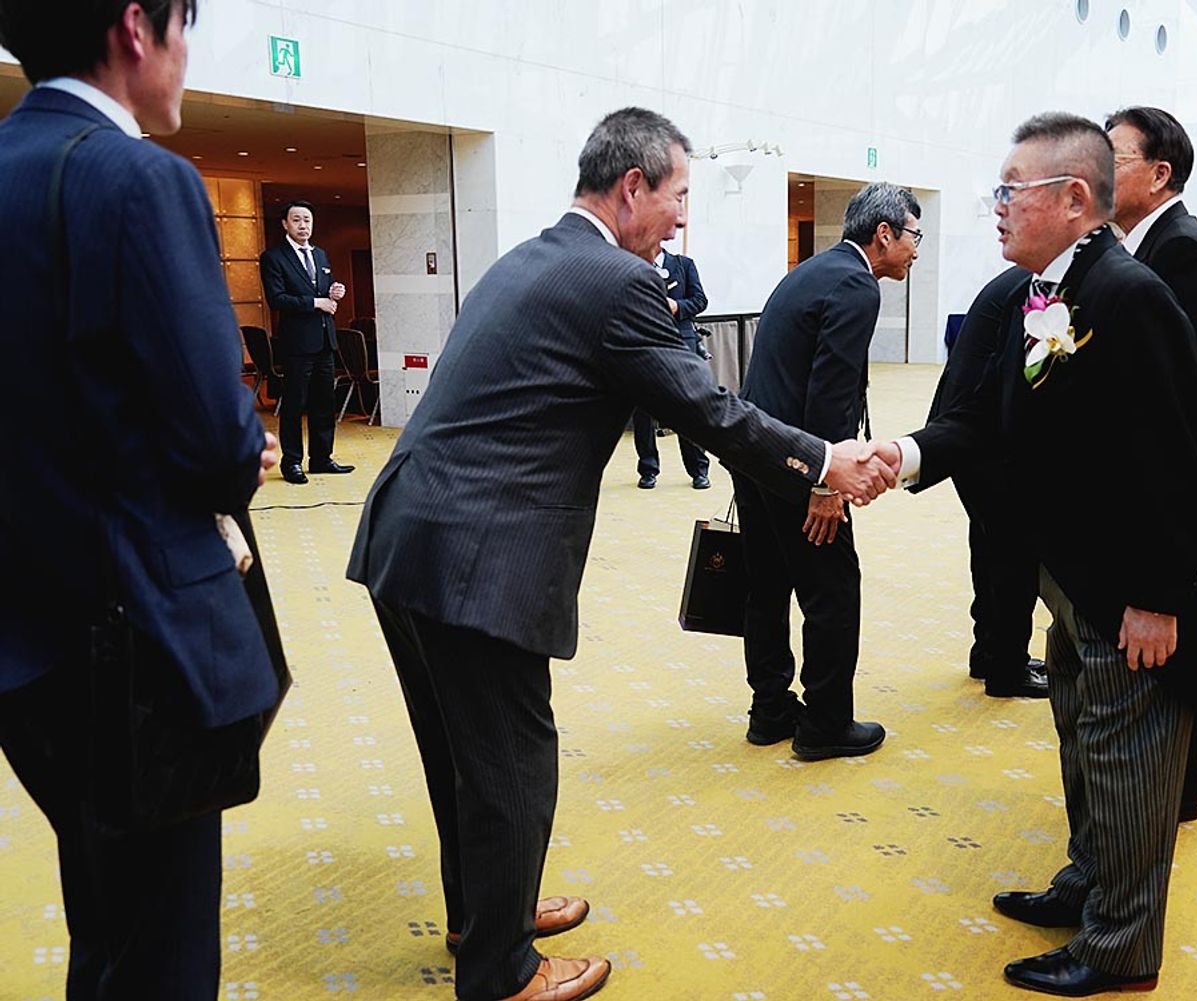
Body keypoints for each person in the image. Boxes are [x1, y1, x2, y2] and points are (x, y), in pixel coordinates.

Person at [346, 107, 894, 1001]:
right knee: (513, 764)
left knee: (461, 756)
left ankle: (484, 915)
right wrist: (824, 459)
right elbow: (709, 411)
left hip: (408, 536)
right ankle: (502, 973)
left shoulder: (533, 256)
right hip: (477, 556)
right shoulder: (616, 281)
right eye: (678, 195)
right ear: (632, 186)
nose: (682, 218)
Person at [884, 112, 1197, 997]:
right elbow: (997, 419)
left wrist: (1158, 597)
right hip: (1068, 574)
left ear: (1072, 199)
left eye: (1009, 189)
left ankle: (1120, 948)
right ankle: (1089, 882)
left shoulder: (1130, 295)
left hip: (1125, 586)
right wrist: (903, 455)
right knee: (1086, 740)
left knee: (1129, 761)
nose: (995, 206)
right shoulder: (1051, 290)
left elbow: (1178, 460)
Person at [0, 1, 282, 997]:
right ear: (135, 27)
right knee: (163, 949)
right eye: (182, 31)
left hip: (23, 636)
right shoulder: (140, 180)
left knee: (106, 922)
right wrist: (246, 448)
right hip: (137, 640)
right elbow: (215, 436)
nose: (185, 57)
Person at [734, 181, 919, 760]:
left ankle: (769, 711)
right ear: (884, 234)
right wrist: (825, 484)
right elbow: (830, 393)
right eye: (914, 236)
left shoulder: (813, 271)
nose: (916, 250)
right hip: (799, 465)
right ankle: (825, 724)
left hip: (756, 450)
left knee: (767, 586)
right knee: (833, 590)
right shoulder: (856, 285)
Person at [1106, 105, 1197, 824]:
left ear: (1160, 173)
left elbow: (1175, 409)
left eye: (1113, 158)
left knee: (1181, 651)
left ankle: (1173, 795)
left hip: (1193, 498)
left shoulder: (1182, 252)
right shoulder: (1151, 246)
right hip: (1175, 494)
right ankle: (1166, 791)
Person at [923, 267, 1048, 699]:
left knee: (990, 545)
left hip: (969, 438)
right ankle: (1007, 668)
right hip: (986, 437)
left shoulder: (1019, 279)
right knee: (1015, 556)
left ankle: (990, 652)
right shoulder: (1034, 286)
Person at [259, 199, 355, 484]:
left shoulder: (320, 254)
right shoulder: (273, 257)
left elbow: (325, 290)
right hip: (297, 343)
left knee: (324, 403)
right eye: (297, 220)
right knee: (294, 404)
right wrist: (316, 302)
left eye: (307, 220)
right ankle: (292, 462)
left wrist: (334, 292)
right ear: (285, 224)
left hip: (325, 340)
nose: (303, 225)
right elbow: (277, 299)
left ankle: (321, 458)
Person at [633, 247, 711, 488]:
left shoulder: (684, 265)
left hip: (681, 341)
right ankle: (648, 469)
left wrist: (677, 306)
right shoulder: (631, 266)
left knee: (688, 406)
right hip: (644, 342)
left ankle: (699, 470)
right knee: (643, 409)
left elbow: (700, 301)